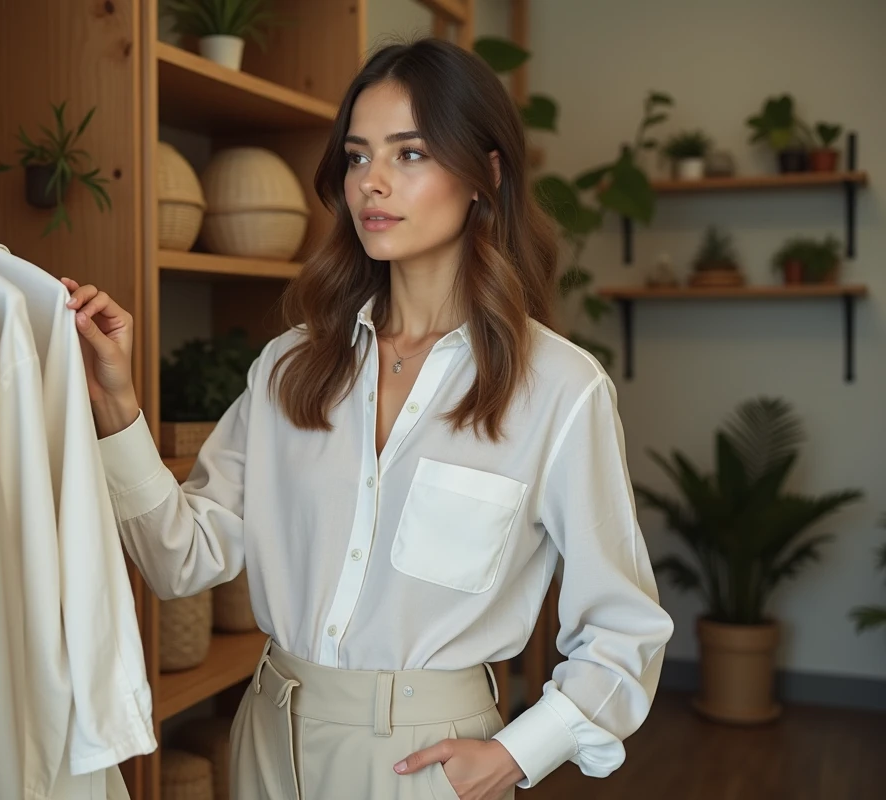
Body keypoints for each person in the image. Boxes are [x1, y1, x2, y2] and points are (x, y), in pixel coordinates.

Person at [61, 37, 673, 800]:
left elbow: (622, 626)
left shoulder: (558, 388)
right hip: (269, 737)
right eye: (356, 157)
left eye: (409, 154)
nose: (372, 184)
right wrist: (118, 409)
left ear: (484, 175)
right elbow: (181, 559)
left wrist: (517, 753)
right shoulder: (291, 365)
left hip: (427, 761)